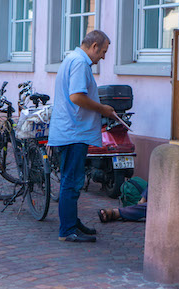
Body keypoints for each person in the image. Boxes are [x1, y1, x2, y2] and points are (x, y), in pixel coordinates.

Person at [48, 30, 116, 243]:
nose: (103, 57)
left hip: (71, 131)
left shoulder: (72, 59)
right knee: (72, 181)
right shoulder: (79, 63)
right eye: (103, 52)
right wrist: (102, 108)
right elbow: (77, 96)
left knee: (73, 180)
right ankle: (67, 230)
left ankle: (71, 222)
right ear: (94, 46)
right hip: (73, 132)